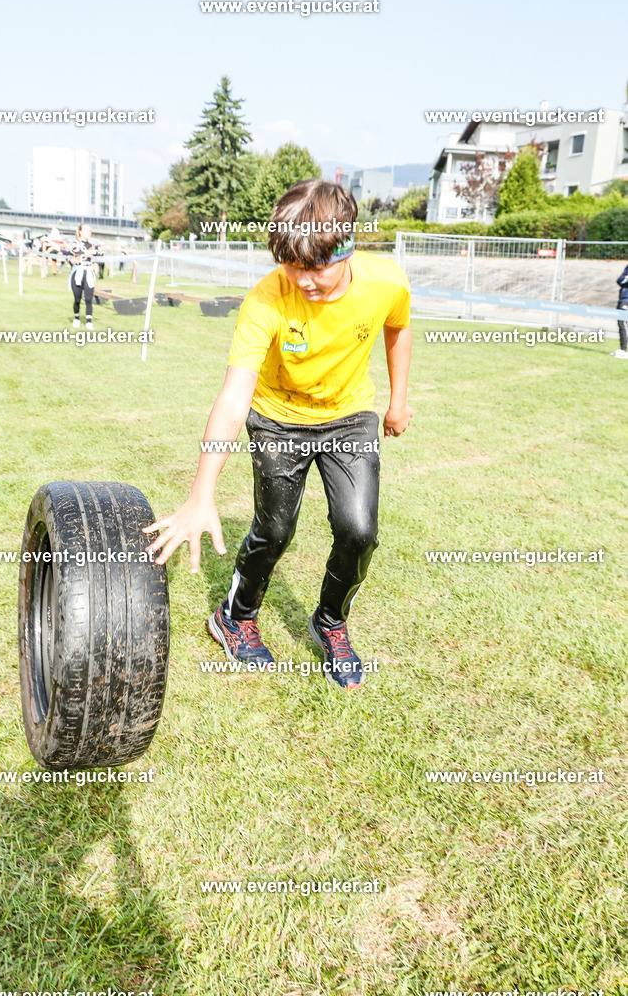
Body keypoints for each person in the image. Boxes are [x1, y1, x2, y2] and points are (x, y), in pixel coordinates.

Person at [144, 179, 413, 691]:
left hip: (349, 414)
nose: (303, 280)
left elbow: (395, 327)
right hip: (278, 418)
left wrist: (398, 399)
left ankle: (330, 622)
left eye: (316, 267)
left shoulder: (387, 282)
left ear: (348, 247)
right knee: (275, 530)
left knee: (359, 532)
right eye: (292, 265)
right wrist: (201, 493)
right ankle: (235, 617)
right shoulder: (266, 298)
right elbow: (233, 395)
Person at [68, 223, 103, 328]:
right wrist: (72, 260)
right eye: (86, 230)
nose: (89, 232)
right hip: (78, 272)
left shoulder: (93, 245)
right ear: (80, 231)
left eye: (90, 230)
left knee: (88, 298)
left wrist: (91, 252)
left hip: (88, 272)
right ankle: (77, 318)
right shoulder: (74, 244)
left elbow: (100, 252)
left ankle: (89, 321)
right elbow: (68, 255)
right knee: (77, 299)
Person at [613, 264, 628, 359]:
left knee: (623, 323)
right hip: (622, 298)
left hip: (626, 300)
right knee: (621, 323)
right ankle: (622, 349)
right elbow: (619, 280)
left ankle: (624, 350)